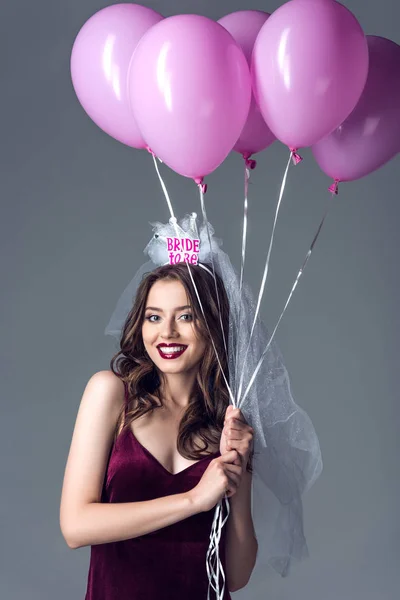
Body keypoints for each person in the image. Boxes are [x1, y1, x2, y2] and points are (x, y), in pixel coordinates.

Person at [59, 260, 257, 599]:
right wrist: (193, 499)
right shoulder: (111, 394)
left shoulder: (229, 424)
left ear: (213, 325)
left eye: (186, 316)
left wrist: (237, 470)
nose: (167, 332)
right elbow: (75, 527)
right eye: (154, 317)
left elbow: (235, 576)